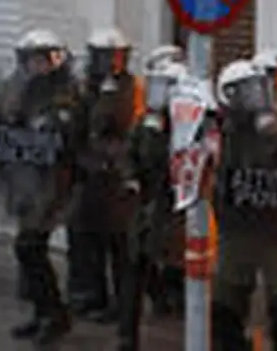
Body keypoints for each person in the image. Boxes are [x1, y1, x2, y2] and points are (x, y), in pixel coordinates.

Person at [211, 59, 277, 351]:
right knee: (227, 303)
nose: (257, 97)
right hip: (238, 229)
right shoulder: (221, 131)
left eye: (259, 89)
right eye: (248, 91)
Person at [0, 29, 83, 345]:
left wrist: (49, 127)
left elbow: (67, 133)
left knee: (30, 246)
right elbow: (5, 121)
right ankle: (44, 311)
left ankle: (54, 315)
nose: (35, 65)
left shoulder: (65, 90)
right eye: (30, 59)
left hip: (54, 182)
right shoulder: (22, 86)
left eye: (41, 59)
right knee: (28, 250)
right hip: (27, 179)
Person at [67, 27, 145, 322]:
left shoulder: (130, 88)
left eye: (116, 56)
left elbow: (118, 127)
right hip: (88, 174)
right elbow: (80, 126)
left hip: (116, 176)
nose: (110, 63)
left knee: (120, 245)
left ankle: (122, 304)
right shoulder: (85, 86)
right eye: (104, 56)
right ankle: (89, 295)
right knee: (86, 238)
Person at [117, 55, 188, 351]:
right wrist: (131, 176)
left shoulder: (194, 123)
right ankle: (127, 337)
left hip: (180, 210)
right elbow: (129, 152)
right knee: (135, 266)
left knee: (184, 270)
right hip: (148, 205)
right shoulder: (146, 123)